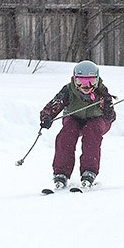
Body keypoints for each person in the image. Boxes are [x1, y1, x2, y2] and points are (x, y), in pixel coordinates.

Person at [40, 60, 116, 189]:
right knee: (66, 135)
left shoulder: (102, 92)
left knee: (91, 132)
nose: (86, 86)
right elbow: (54, 105)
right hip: (74, 118)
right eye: (81, 82)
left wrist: (108, 110)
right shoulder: (68, 90)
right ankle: (61, 173)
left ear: (97, 80)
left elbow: (111, 117)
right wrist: (47, 117)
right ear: (74, 80)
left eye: (91, 81)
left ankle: (89, 171)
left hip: (96, 120)